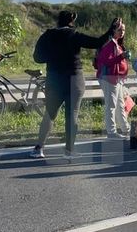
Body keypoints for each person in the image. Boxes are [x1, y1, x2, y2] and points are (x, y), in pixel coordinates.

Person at [30, 12, 120, 159]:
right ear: (72, 21)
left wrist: (54, 56)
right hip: (75, 78)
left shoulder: (47, 35)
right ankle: (69, 150)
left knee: (50, 113)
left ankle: (38, 148)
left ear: (58, 21)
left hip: (54, 78)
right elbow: (97, 42)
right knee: (72, 114)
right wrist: (111, 30)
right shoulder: (74, 35)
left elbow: (37, 58)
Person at [95, 20, 131, 139]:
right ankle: (111, 132)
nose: (122, 32)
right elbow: (106, 62)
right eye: (119, 30)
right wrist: (122, 56)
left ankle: (125, 128)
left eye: (124, 30)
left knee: (120, 104)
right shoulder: (109, 44)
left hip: (116, 78)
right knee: (111, 105)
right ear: (113, 30)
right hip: (109, 78)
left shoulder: (117, 43)